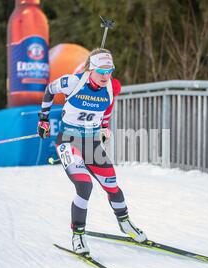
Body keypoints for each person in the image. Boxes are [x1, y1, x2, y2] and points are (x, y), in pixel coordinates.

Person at [37, 48, 147, 254]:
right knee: (84, 185)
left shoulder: (113, 86)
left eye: (110, 70)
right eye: (101, 71)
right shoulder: (73, 82)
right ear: (91, 69)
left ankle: (125, 223)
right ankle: (78, 235)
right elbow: (50, 90)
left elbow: (107, 110)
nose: (106, 75)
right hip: (69, 140)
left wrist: (104, 127)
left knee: (112, 185)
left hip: (92, 142)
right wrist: (43, 119)